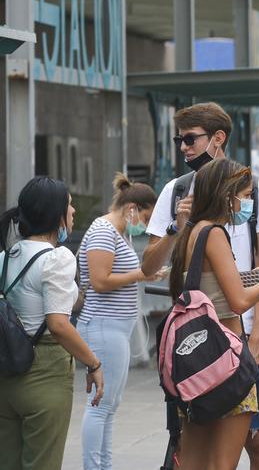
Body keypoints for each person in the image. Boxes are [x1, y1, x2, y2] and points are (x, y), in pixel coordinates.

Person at [141, 102, 259, 468]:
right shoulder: (175, 192)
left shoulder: (255, 190)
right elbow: (149, 264)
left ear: (218, 138)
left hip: (240, 339)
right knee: (201, 448)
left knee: (258, 441)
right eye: (179, 140)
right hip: (199, 341)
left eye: (190, 138)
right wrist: (177, 225)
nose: (184, 147)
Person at [167, 159, 259, 470]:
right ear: (227, 195)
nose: (249, 203)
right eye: (247, 195)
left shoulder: (191, 232)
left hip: (194, 361)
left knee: (192, 462)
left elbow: (212, 286)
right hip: (226, 358)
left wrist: (256, 277)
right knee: (222, 463)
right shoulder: (214, 234)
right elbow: (238, 302)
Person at [0, 177, 104, 470]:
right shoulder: (57, 258)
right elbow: (58, 324)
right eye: (69, 206)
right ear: (56, 215)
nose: (73, 212)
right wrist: (93, 364)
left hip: (6, 371)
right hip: (45, 373)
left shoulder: (5, 257)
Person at [76, 173, 159, 470]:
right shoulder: (103, 230)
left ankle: (103, 466)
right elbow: (100, 281)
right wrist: (142, 275)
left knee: (109, 405)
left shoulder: (119, 232)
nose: (146, 225)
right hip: (102, 325)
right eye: (146, 217)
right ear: (132, 208)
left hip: (113, 328)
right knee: (100, 405)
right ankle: (94, 466)